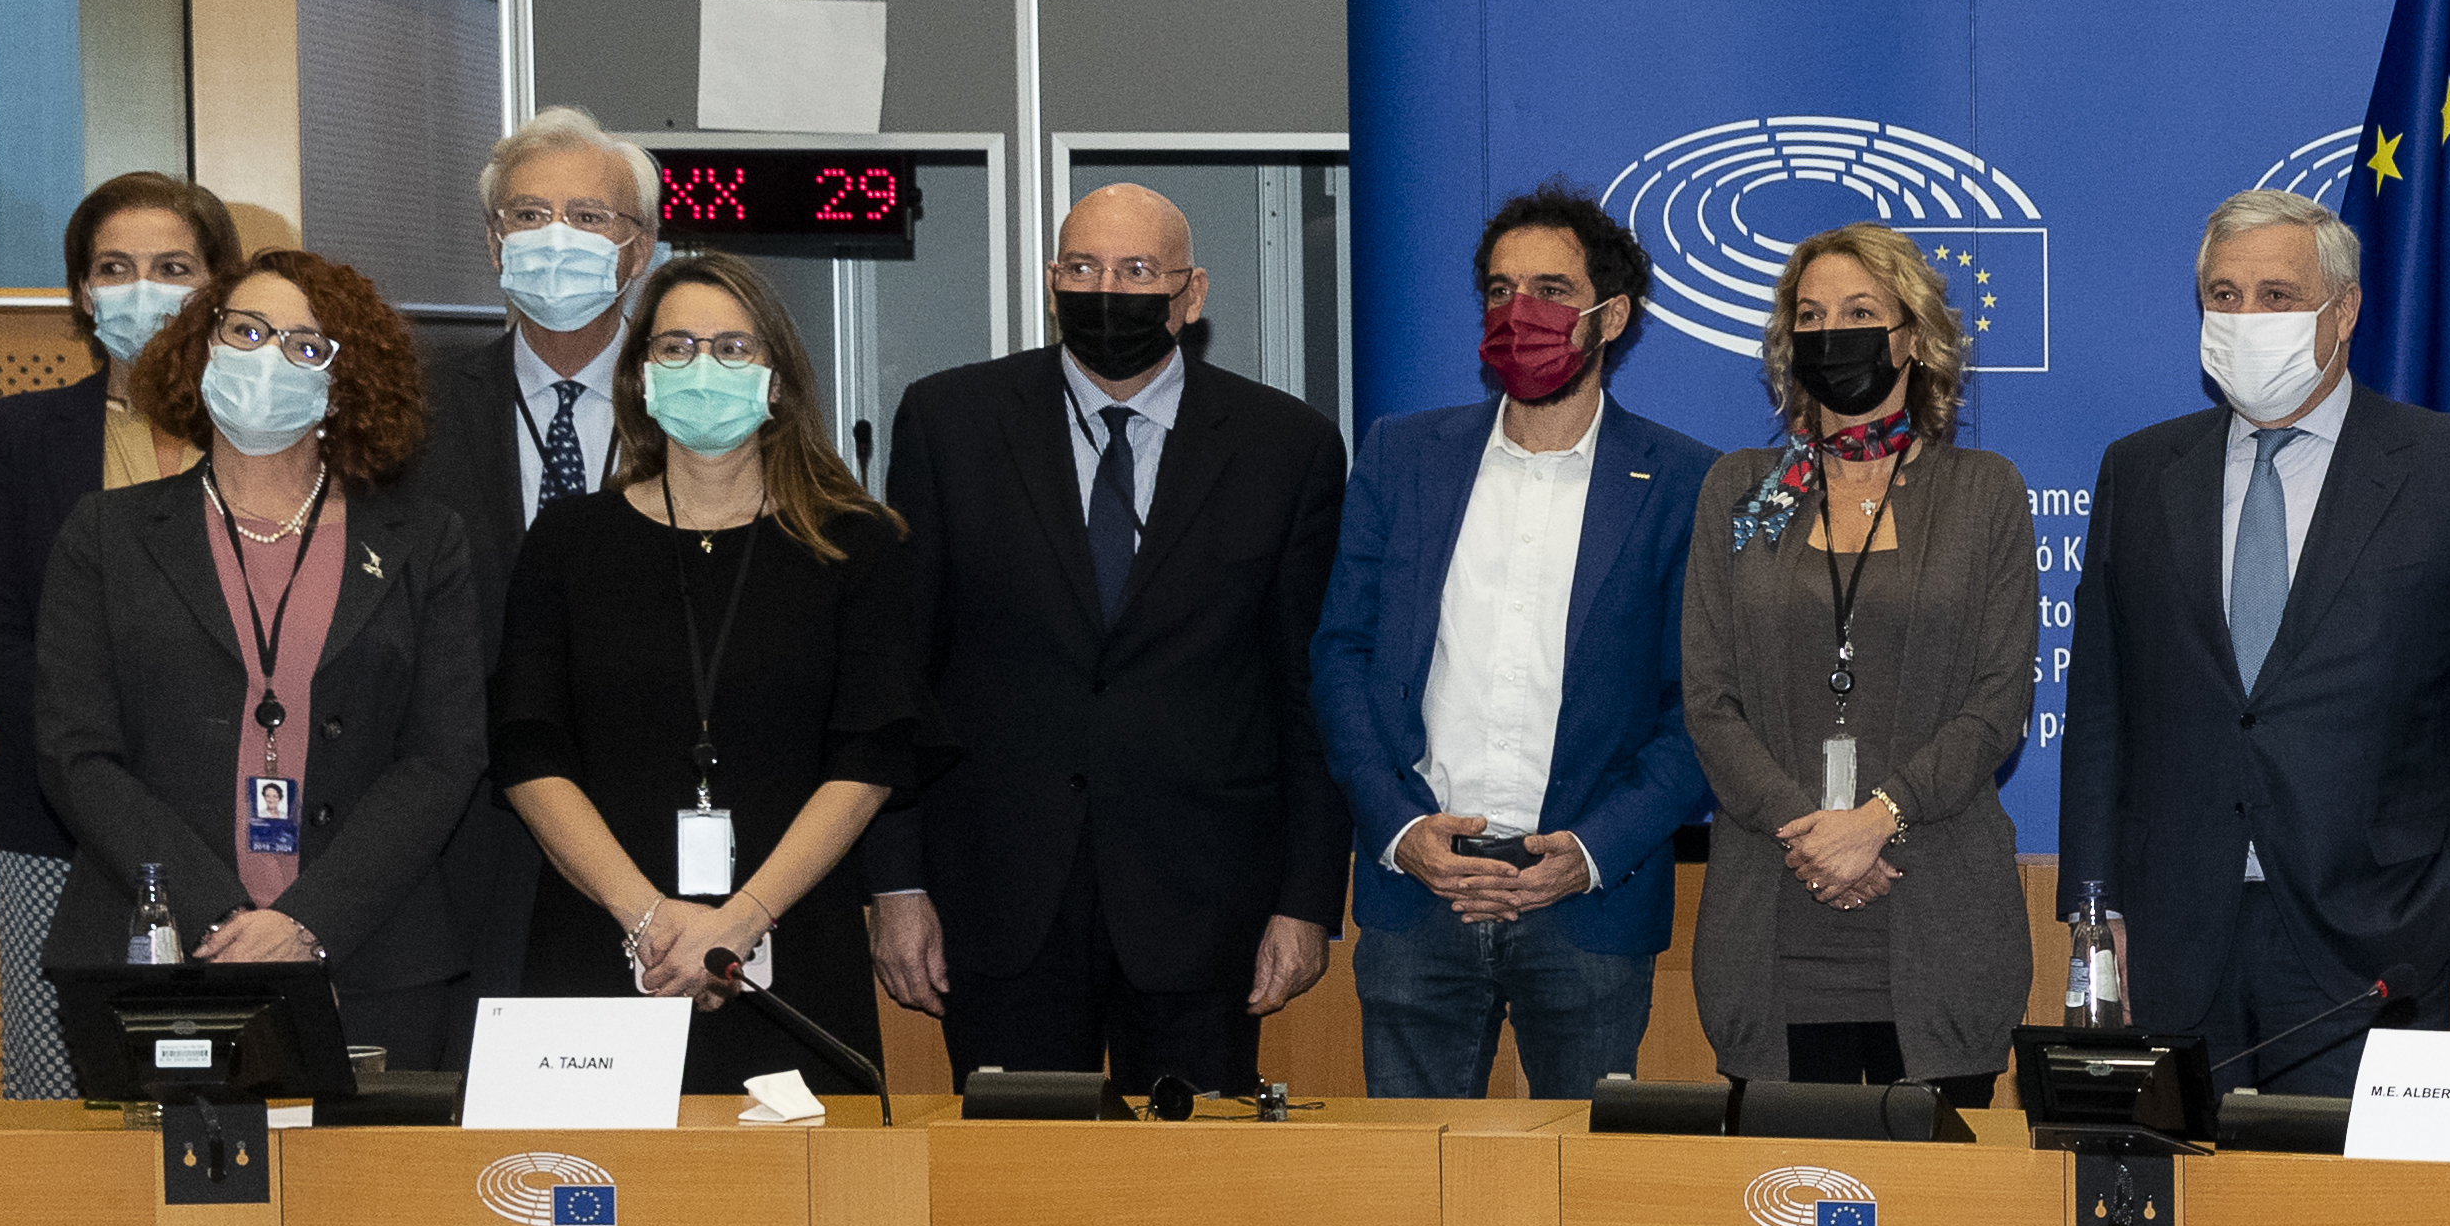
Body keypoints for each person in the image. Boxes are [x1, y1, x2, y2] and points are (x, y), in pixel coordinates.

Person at [2056, 190, 2450, 1068]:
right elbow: (2102, 712)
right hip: (2176, 944)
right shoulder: (2139, 473)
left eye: (2277, 297)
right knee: (2181, 1204)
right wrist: (2094, 913)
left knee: (2352, 1210)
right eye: (2224, 295)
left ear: (2345, 311)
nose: (2246, 318)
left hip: (2376, 944)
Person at [868, 181, 1351, 1097]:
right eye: (1082, 267)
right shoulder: (949, 423)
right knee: (1008, 1199)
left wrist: (1306, 902)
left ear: (1192, 293)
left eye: (1137, 271)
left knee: (1185, 1205)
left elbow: (1305, 689)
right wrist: (895, 884)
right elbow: (902, 672)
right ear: (1052, 282)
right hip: (997, 898)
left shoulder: (1286, 446)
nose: (1106, 290)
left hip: (1205, 906)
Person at [1315, 186, 1717, 1100]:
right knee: (1412, 1194)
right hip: (1418, 893)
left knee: (1584, 1197)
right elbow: (1341, 657)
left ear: (1610, 317)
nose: (1517, 314)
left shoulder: (1685, 481)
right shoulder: (1401, 456)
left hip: (1587, 905)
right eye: (1499, 291)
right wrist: (1401, 830)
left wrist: (1592, 850)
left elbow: (1701, 707)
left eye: (1548, 289)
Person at [491, 259, 925, 1094]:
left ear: (777, 379)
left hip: (792, 946)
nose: (703, 367)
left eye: (732, 347)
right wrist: (650, 919)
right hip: (606, 944)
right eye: (678, 347)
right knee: (592, 1211)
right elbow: (527, 750)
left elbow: (869, 757)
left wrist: (740, 921)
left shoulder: (854, 545)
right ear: (641, 375)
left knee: (798, 1212)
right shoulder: (568, 541)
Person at [34, 250, 487, 1043]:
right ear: (201, 347)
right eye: (245, 331)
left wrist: (306, 923)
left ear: (346, 385)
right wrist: (224, 918)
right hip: (158, 944)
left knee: (361, 1173)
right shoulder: (106, 535)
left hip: (371, 959)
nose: (267, 359)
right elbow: (77, 755)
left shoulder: (424, 540)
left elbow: (442, 758)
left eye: (305, 346)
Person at [1678, 226, 2036, 1100]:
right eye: (1811, 315)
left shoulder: (1984, 491)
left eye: (1860, 312)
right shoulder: (1741, 489)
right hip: (1775, 931)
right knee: (1795, 1220)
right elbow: (1710, 698)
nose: (1832, 333)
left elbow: (1996, 703)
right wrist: (1814, 836)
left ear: (1912, 337)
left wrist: (1878, 819)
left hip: (1940, 927)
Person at [0, 167, 233, 1095]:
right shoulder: (19, 436)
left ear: (220, 285)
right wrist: (95, 760)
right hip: (57, 821)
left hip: (237, 820)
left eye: (172, 266)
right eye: (114, 267)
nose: (141, 289)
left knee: (230, 1079)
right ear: (80, 291)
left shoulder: (269, 438)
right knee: (59, 1087)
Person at [406, 106, 665, 1048]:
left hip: (642, 839)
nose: (556, 238)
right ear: (492, 242)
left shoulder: (700, 406)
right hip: (455, 843)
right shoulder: (410, 413)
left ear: (639, 251)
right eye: (529, 215)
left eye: (590, 219)